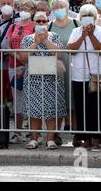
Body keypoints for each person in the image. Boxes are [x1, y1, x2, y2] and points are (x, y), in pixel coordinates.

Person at [19, 12, 66, 150]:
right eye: (38, 21)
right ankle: (34, 138)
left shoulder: (54, 36)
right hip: (33, 80)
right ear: (34, 22)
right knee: (34, 110)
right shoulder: (28, 39)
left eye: (43, 21)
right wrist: (36, 42)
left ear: (47, 22)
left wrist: (45, 40)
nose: (40, 24)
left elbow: (58, 54)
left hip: (52, 80)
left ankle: (50, 139)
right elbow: (22, 57)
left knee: (51, 110)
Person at [67, 4, 101, 151]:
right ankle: (85, 138)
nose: (87, 19)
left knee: (98, 107)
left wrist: (91, 35)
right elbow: (70, 49)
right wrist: (82, 36)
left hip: (98, 74)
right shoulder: (75, 31)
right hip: (79, 75)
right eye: (84, 16)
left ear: (95, 18)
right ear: (80, 18)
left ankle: (97, 138)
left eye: (90, 16)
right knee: (82, 107)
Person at [5, 0, 36, 144]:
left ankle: (33, 132)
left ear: (33, 11)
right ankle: (17, 132)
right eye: (22, 8)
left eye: (28, 8)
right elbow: (8, 46)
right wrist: (18, 56)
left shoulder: (36, 26)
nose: (24, 11)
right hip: (13, 65)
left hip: (30, 67)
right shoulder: (13, 26)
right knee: (18, 100)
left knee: (32, 99)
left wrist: (24, 62)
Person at [48, 0, 80, 135]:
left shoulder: (76, 23)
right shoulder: (48, 25)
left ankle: (75, 130)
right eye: (56, 7)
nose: (59, 9)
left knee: (74, 96)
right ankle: (55, 133)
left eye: (62, 6)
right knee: (57, 97)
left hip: (74, 65)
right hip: (55, 67)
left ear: (68, 8)